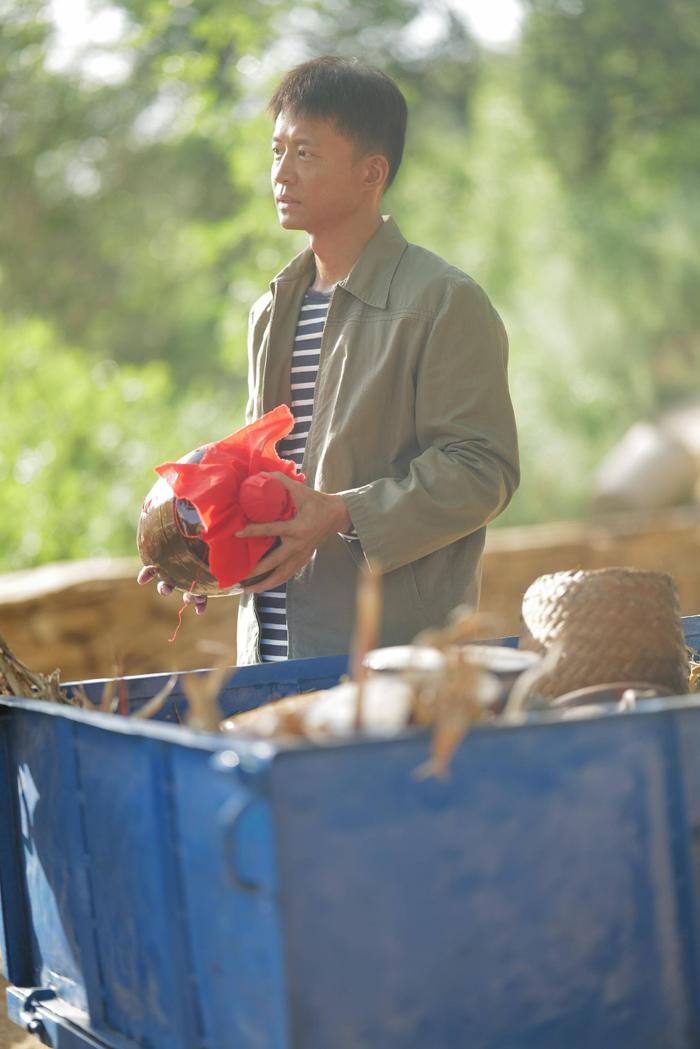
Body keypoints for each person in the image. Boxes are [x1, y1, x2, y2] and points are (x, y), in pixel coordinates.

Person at [139, 56, 519, 664]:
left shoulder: (443, 301)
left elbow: (482, 470)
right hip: (267, 653)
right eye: (276, 151)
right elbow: (263, 472)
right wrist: (199, 546)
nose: (281, 175)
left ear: (372, 172)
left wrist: (342, 512)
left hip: (392, 658)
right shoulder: (271, 308)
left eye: (306, 154)